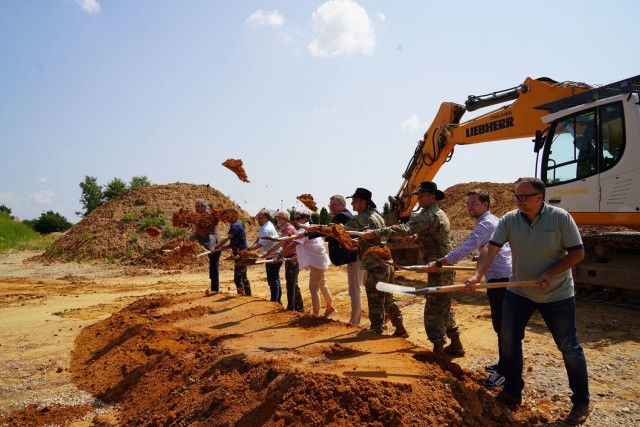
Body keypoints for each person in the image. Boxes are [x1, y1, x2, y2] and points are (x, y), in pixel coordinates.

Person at [465, 177, 589, 425]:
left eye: (524, 197)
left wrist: (550, 273)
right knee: (508, 339)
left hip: (557, 293)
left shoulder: (560, 218)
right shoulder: (510, 219)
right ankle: (512, 389)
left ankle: (581, 402)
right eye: (516, 197)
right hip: (519, 290)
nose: (519, 201)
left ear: (539, 197)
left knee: (568, 346)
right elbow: (491, 248)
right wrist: (478, 274)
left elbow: (578, 253)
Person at [426, 189, 512, 386]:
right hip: (498, 276)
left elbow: (468, 247)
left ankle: (506, 372)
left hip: (502, 278)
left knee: (503, 327)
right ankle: (505, 363)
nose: (469, 207)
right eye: (467, 204)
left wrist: (440, 262)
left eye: (474, 203)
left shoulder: (486, 223)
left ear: (485, 205)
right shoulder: (490, 221)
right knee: (501, 325)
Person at [360, 181, 458, 353]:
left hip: (440, 266)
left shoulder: (429, 215)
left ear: (432, 197)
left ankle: (438, 350)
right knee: (443, 305)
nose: (418, 199)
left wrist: (376, 232)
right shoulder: (434, 213)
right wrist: (417, 238)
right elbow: (429, 234)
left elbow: (406, 228)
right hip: (440, 264)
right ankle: (456, 344)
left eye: (422, 196)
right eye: (418, 195)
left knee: (434, 308)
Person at [343, 188, 408, 337]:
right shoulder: (377, 216)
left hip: (375, 265)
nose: (352, 203)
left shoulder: (362, 218)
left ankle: (376, 329)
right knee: (388, 297)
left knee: (375, 299)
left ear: (363, 202)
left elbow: (341, 231)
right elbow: (375, 239)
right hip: (385, 263)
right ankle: (400, 328)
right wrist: (359, 243)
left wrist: (319, 230)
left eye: (355, 200)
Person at [273, 212, 335, 317]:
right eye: (295, 218)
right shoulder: (309, 229)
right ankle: (330, 307)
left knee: (313, 288)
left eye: (298, 218)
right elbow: (310, 247)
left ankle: (316, 314)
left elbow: (293, 244)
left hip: (317, 262)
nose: (296, 221)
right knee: (322, 285)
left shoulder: (306, 230)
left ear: (305, 219)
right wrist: (296, 257)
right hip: (320, 260)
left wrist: (279, 256)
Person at [327, 195, 363, 326]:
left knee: (355, 290)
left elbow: (329, 231)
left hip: (355, 257)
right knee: (362, 288)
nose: (332, 208)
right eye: (330, 206)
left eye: (334, 205)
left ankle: (355, 322)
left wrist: (311, 232)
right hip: (358, 256)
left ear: (343, 205)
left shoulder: (342, 216)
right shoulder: (347, 215)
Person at [246, 209, 283, 304]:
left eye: (260, 218)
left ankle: (275, 301)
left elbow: (260, 244)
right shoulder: (265, 226)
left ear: (266, 218)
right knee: (275, 279)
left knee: (273, 280)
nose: (258, 220)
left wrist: (249, 250)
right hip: (272, 255)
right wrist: (250, 248)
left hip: (273, 256)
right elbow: (258, 239)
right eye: (258, 218)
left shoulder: (267, 229)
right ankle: (277, 300)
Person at [184, 199, 221, 292]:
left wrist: (187, 239)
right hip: (208, 243)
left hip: (214, 243)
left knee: (214, 267)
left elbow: (199, 232)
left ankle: (215, 290)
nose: (196, 208)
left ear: (204, 207)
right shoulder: (201, 217)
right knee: (213, 267)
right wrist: (186, 240)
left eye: (199, 206)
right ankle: (214, 289)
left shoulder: (208, 216)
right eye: (195, 206)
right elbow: (197, 232)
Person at [212, 208, 251, 296]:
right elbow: (235, 241)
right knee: (243, 277)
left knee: (238, 278)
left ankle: (242, 296)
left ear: (235, 216)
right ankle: (248, 295)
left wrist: (216, 246)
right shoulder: (235, 225)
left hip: (241, 255)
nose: (227, 217)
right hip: (242, 254)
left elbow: (226, 238)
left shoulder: (235, 226)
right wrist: (225, 247)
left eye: (229, 215)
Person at [271, 211, 304, 311]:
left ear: (285, 219)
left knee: (291, 283)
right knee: (292, 282)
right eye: (277, 218)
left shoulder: (289, 228)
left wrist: (272, 254)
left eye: (280, 218)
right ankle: (298, 307)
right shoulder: (286, 228)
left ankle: (292, 308)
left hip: (292, 257)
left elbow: (281, 243)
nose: (278, 220)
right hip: (289, 256)